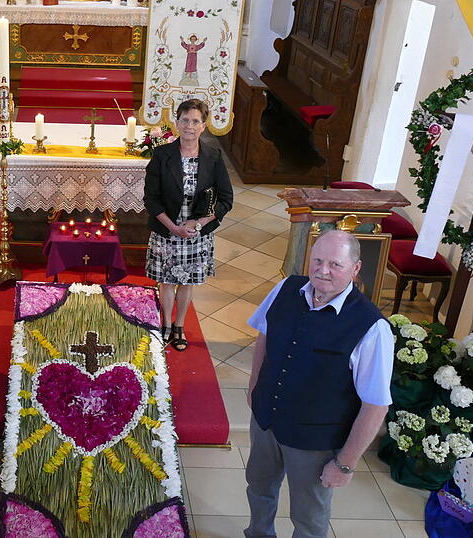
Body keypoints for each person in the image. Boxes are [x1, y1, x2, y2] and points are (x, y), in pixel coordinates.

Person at [244, 230, 394, 538]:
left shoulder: (372, 327)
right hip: (265, 421)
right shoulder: (287, 288)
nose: (323, 270)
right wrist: (254, 387)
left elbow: (376, 405)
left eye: (335, 264)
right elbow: (265, 336)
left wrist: (345, 464)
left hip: (314, 442)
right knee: (259, 489)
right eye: (318, 260)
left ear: (355, 268)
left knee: (308, 518)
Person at [143, 98, 233, 351]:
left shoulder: (213, 157)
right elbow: (150, 198)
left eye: (195, 121)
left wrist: (199, 222)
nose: (189, 126)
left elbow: (226, 199)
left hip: (197, 233)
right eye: (185, 120)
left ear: (203, 126)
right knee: (167, 281)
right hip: (167, 229)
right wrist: (172, 227)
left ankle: (179, 325)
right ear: (177, 122)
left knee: (187, 281)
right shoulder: (162, 155)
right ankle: (166, 325)